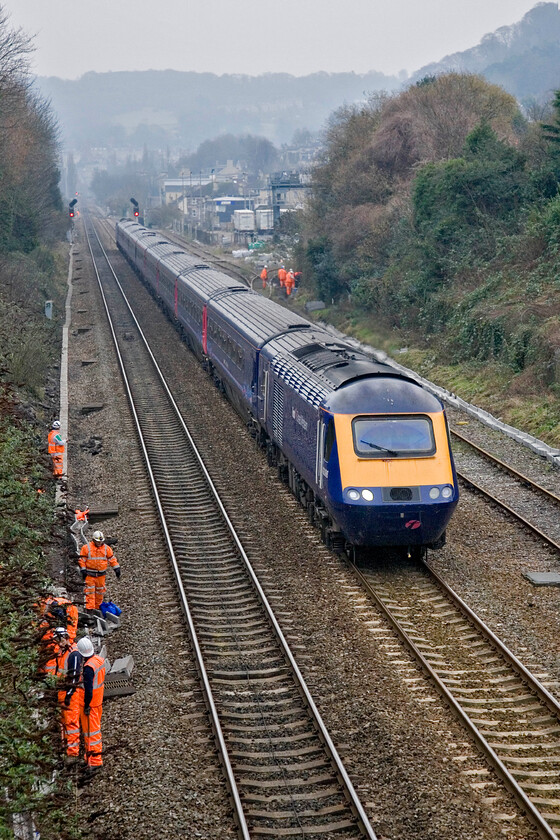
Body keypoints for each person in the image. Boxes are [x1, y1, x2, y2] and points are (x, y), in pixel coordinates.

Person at [76, 636, 106, 769]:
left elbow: (88, 690)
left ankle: (94, 761)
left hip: (91, 704)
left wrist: (87, 705)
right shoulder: (99, 660)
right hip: (98, 701)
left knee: (91, 734)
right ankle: (91, 758)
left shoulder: (88, 668)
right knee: (94, 731)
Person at [53, 627, 82, 760]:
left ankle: (73, 752)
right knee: (63, 721)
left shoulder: (73, 653)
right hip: (61, 691)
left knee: (71, 722)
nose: (58, 643)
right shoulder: (62, 651)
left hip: (70, 693)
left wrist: (69, 694)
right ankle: (65, 746)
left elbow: (75, 677)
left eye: (59, 640)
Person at [78, 530, 120, 611]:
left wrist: (116, 568)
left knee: (100, 593)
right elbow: (82, 560)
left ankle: (98, 608)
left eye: (101, 541)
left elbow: (112, 559)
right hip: (90, 575)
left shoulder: (106, 549)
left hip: (101, 576)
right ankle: (90, 609)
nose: (99, 543)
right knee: (90, 593)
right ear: (93, 540)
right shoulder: (86, 548)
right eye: (98, 541)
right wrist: (83, 570)